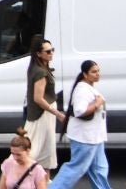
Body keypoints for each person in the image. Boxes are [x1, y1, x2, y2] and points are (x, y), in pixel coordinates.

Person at [49, 60, 109, 189]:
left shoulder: (89, 87)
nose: (97, 74)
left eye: (98, 71)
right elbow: (79, 111)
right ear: (85, 74)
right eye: (93, 72)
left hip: (95, 137)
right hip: (85, 138)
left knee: (99, 169)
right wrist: (97, 104)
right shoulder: (82, 89)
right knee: (76, 168)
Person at [20, 36, 64, 176]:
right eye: (48, 51)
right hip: (42, 115)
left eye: (52, 50)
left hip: (42, 114)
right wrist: (57, 113)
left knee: (44, 148)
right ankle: (21, 178)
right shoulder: (40, 72)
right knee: (35, 150)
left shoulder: (36, 68)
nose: (51, 53)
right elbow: (38, 99)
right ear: (38, 53)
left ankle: (44, 181)